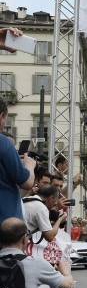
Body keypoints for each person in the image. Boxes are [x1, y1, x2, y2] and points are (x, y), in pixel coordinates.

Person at [0, 95, 36, 223]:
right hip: (6, 225)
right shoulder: (3, 143)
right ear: (1, 116)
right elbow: (27, 182)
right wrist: (29, 166)